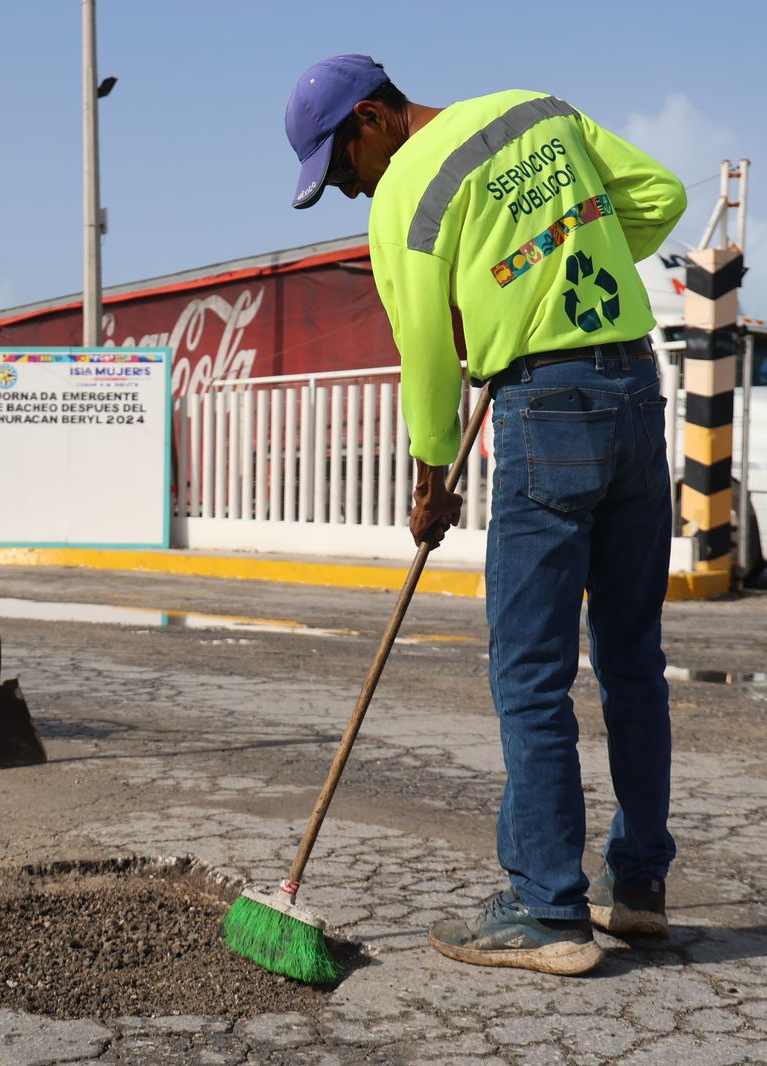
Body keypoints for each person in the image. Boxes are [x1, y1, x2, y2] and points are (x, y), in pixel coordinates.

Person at [285, 56, 686, 976]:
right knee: (631, 659)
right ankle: (639, 890)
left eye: (344, 170)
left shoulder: (406, 195)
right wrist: (550, 262)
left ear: (373, 119)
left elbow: (425, 352)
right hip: (632, 387)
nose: (353, 191)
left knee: (531, 672)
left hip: (545, 405)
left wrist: (431, 480)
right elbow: (658, 197)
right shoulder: (535, 111)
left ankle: (549, 913)